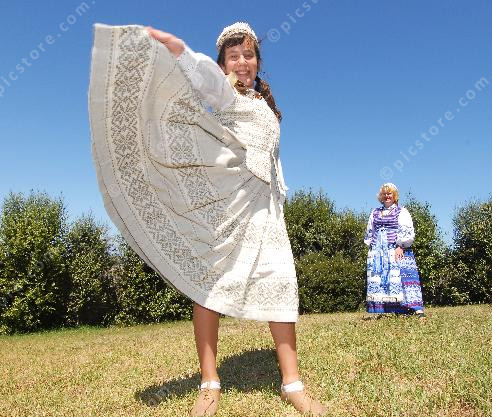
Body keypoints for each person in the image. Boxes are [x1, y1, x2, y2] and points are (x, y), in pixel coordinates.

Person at [89, 22, 325, 416]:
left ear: (258, 61)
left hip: (265, 205)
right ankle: (209, 383)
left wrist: (279, 191)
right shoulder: (227, 94)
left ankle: (292, 384)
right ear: (224, 64)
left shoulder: (265, 105)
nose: (242, 61)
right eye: (233, 56)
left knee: (281, 280)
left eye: (248, 54)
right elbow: (207, 78)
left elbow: (272, 158)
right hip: (230, 201)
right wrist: (178, 48)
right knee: (210, 285)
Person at [363, 183, 425, 317]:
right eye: (384, 194)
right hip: (379, 251)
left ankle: (415, 309)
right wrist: (372, 249)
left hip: (395, 249)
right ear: (381, 196)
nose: (387, 196)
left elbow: (406, 229)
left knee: (403, 277)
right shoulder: (375, 212)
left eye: (389, 193)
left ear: (394, 195)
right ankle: (386, 309)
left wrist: (400, 246)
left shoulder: (401, 211)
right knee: (380, 279)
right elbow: (370, 231)